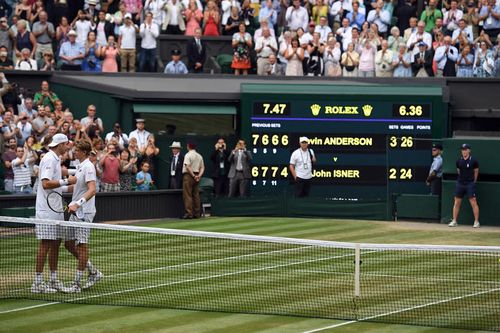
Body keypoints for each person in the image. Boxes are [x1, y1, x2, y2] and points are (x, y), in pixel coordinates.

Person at [31, 133, 77, 293]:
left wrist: (74, 187)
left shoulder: (56, 160)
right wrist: (67, 181)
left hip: (56, 210)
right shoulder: (50, 159)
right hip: (46, 212)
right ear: (59, 144)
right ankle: (37, 283)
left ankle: (53, 279)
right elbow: (45, 184)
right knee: (46, 244)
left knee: (56, 243)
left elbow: (56, 186)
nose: (68, 147)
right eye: (66, 144)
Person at [63, 140, 102, 293]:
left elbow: (92, 190)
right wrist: (59, 186)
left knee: (82, 245)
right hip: (76, 211)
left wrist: (77, 204)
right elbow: (77, 187)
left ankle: (76, 284)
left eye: (77, 150)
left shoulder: (88, 167)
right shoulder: (80, 166)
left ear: (84, 152)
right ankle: (93, 272)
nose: (74, 152)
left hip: (84, 212)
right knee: (68, 244)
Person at [449, 144, 480, 228]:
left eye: (465, 149)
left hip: (470, 183)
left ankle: (476, 221)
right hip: (460, 183)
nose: (464, 151)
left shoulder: (473, 161)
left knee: (473, 201)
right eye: (462, 150)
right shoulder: (459, 161)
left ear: (469, 150)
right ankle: (454, 221)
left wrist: (473, 182)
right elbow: (459, 171)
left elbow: (476, 171)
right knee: (457, 202)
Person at [182, 142, 205, 219]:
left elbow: (187, 167)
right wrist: (198, 176)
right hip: (197, 175)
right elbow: (202, 168)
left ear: (188, 147)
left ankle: (189, 214)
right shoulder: (199, 156)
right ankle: (197, 213)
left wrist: (193, 175)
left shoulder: (187, 155)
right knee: (196, 195)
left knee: (188, 195)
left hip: (189, 175)